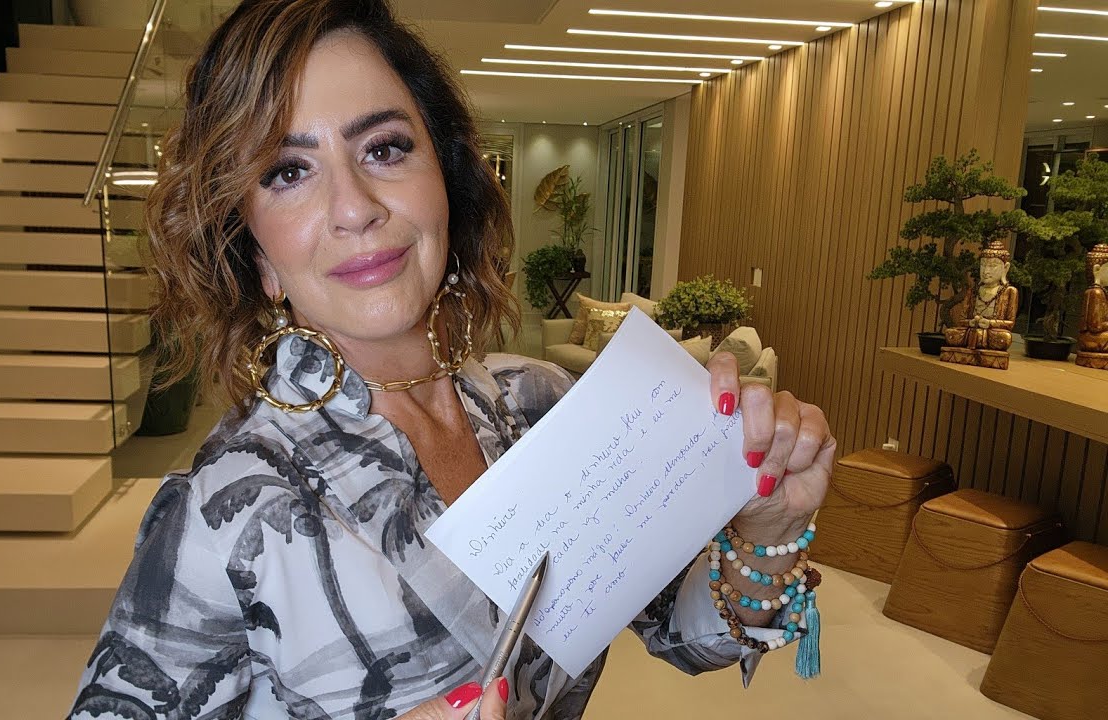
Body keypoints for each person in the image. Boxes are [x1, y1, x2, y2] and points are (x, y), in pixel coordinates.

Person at [66, 1, 836, 718]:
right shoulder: (229, 505)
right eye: (287, 171)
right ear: (257, 253)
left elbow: (683, 630)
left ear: (446, 178)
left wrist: (768, 530)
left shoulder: (538, 404)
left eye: (384, 148)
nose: (355, 206)